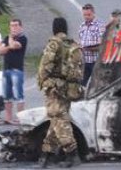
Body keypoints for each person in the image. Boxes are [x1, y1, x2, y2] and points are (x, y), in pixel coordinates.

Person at [38, 17, 83, 168]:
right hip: (69, 89)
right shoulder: (72, 44)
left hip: (55, 89)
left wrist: (43, 82)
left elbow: (45, 67)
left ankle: (72, 154)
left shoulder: (54, 44)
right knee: (56, 121)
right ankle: (46, 155)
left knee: (60, 120)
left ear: (54, 29)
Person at [0, 18, 28, 124]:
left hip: (17, 70)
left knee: (18, 95)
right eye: (12, 25)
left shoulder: (23, 38)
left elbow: (15, 46)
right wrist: (9, 45)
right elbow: (0, 51)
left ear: (21, 27)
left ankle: (21, 117)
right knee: (7, 95)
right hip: (6, 69)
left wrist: (10, 41)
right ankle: (8, 118)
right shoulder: (6, 38)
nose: (14, 28)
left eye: (16, 25)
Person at [78, 4, 104, 87]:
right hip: (84, 62)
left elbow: (102, 45)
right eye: (84, 15)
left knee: (95, 85)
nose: (86, 17)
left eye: (88, 15)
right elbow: (80, 41)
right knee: (82, 85)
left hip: (95, 62)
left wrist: (88, 48)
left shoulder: (99, 26)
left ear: (93, 14)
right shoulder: (82, 26)